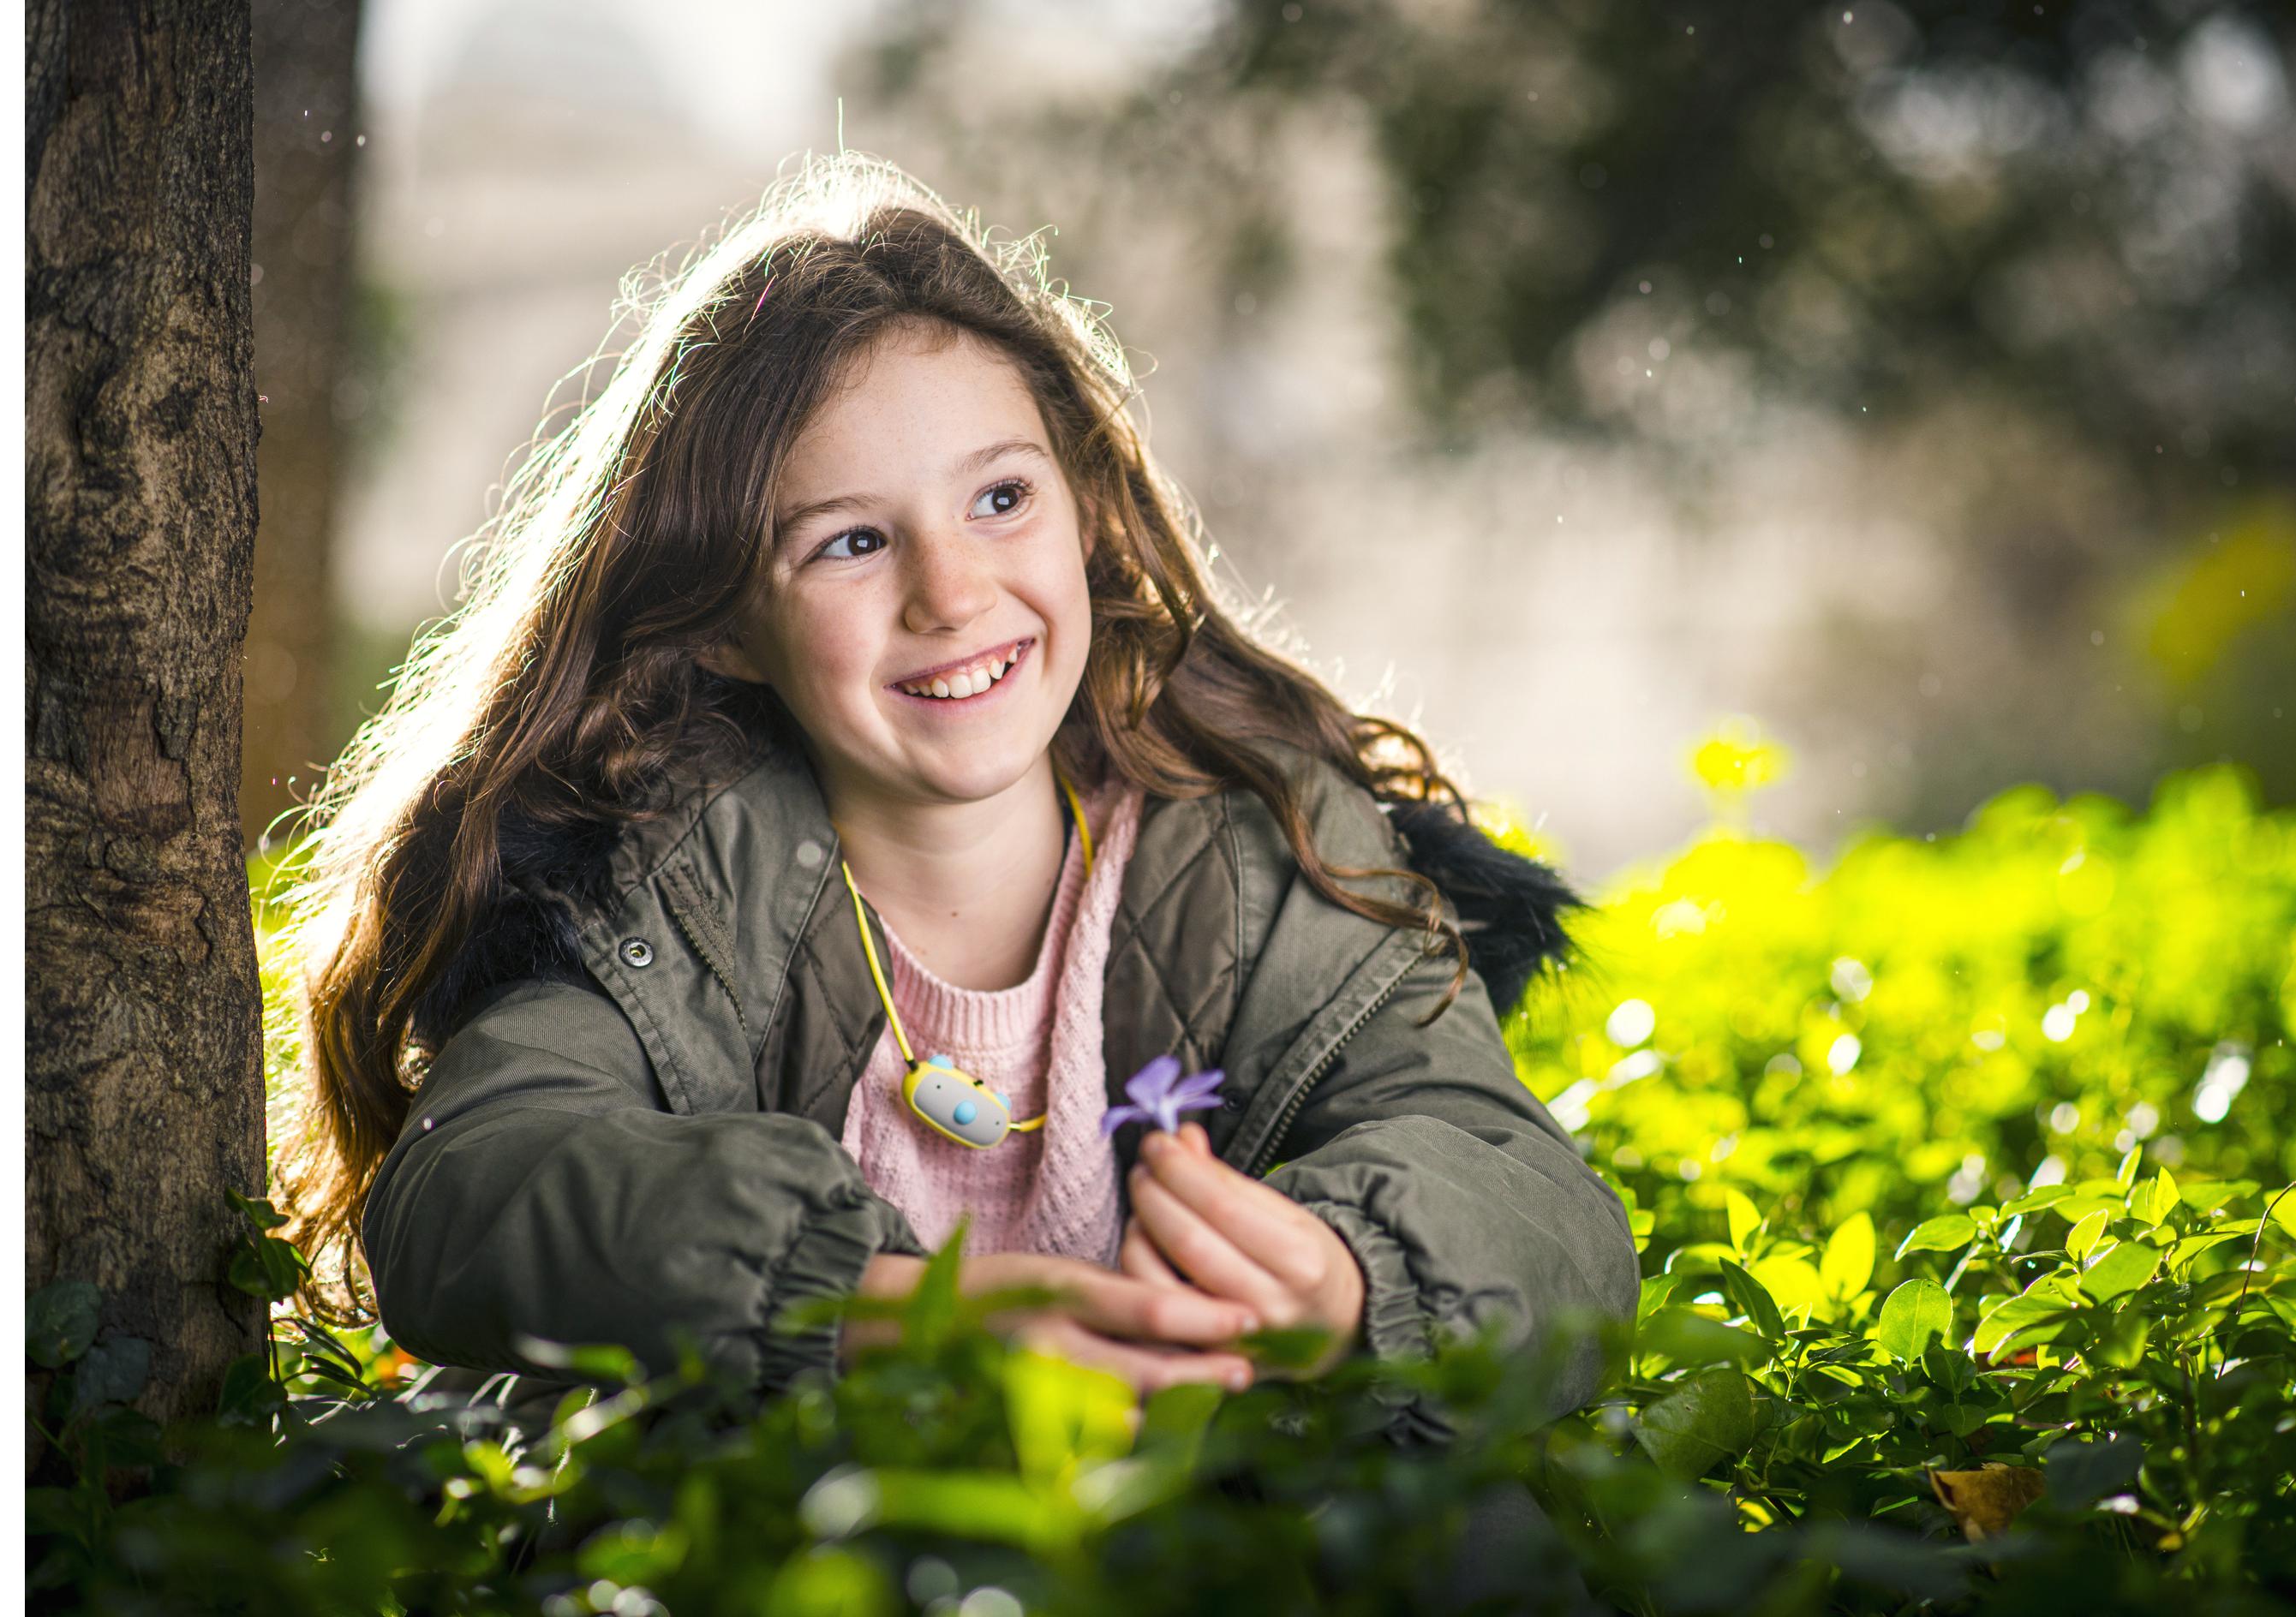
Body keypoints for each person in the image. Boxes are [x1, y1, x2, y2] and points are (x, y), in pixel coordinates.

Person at [269, 155, 1637, 1462]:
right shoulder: (669, 883)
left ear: (1086, 518)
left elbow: (1541, 1209)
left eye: (999, 498)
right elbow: (469, 1189)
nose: (953, 592)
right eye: (852, 542)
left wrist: (1347, 1277)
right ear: (730, 624)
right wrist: (886, 1317)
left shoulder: (1266, 851)